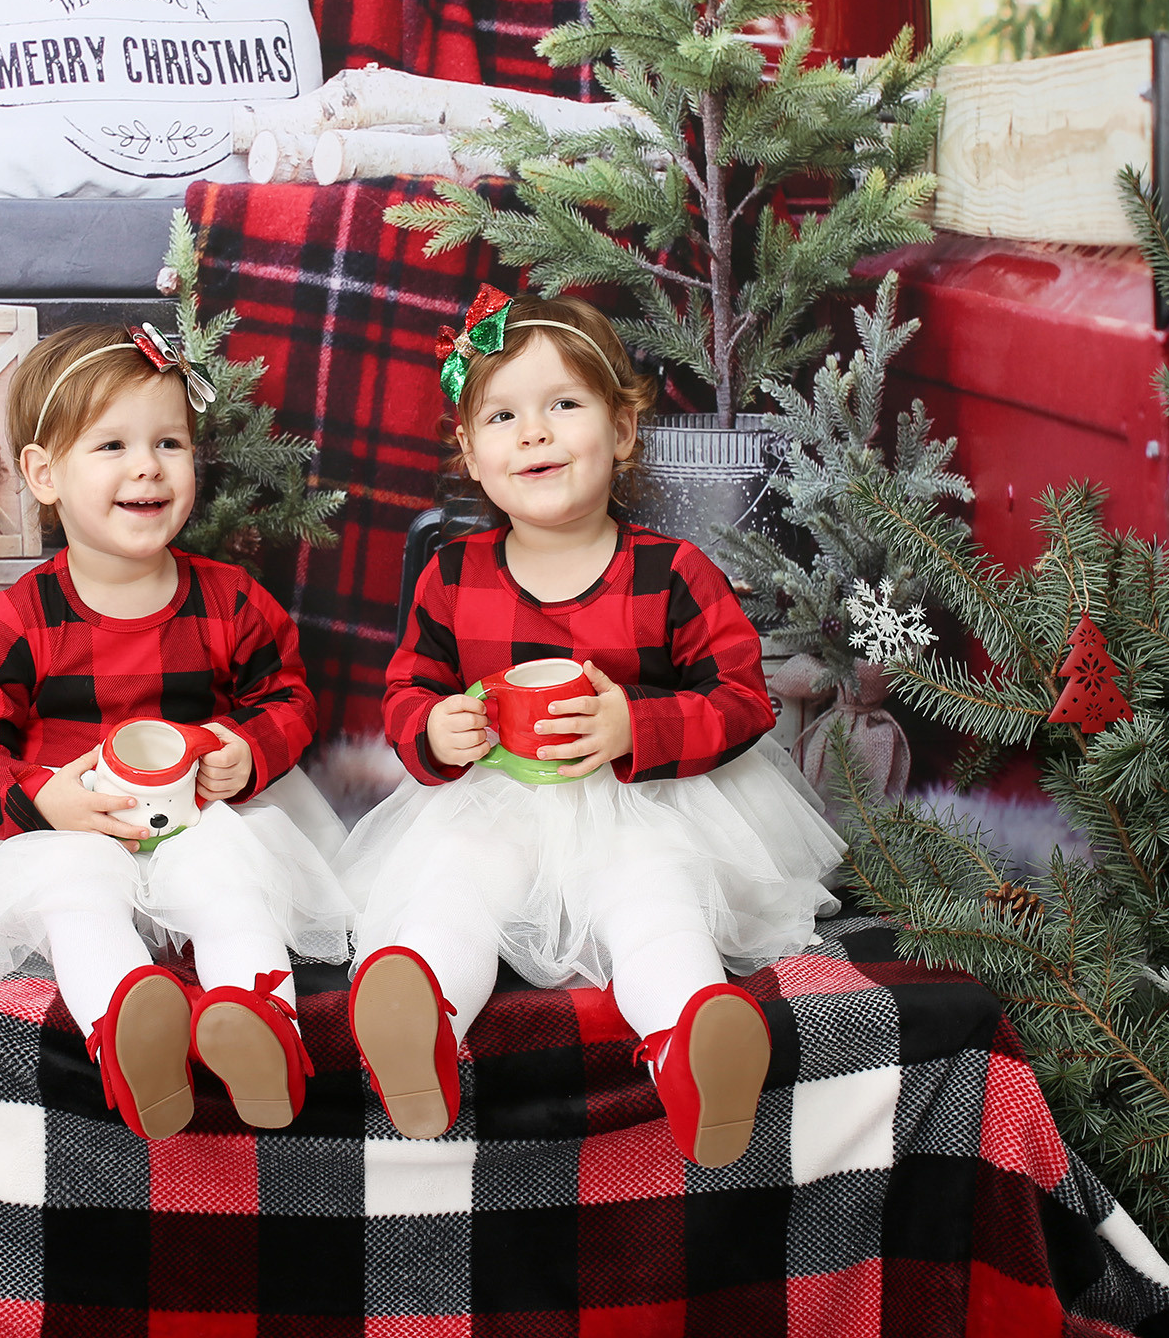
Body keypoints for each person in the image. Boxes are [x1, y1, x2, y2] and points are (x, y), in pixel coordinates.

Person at [341, 289, 844, 1165]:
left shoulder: (672, 571)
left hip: (645, 805)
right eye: (502, 416)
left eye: (563, 405)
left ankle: (690, 1040)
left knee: (655, 897)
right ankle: (420, 1020)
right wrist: (435, 726)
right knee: (454, 886)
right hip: (495, 803)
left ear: (620, 431)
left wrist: (633, 725)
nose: (533, 434)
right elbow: (407, 689)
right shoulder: (452, 576)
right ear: (470, 454)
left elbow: (742, 699)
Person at [0, 323, 351, 1140]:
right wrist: (42, 799)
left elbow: (286, 698)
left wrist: (246, 752)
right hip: (71, 825)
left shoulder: (229, 599)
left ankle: (259, 1021)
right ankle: (130, 1030)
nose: (147, 467)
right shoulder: (21, 618)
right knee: (75, 893)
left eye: (169, 442)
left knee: (230, 878)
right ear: (45, 475)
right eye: (112, 446)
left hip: (201, 816)